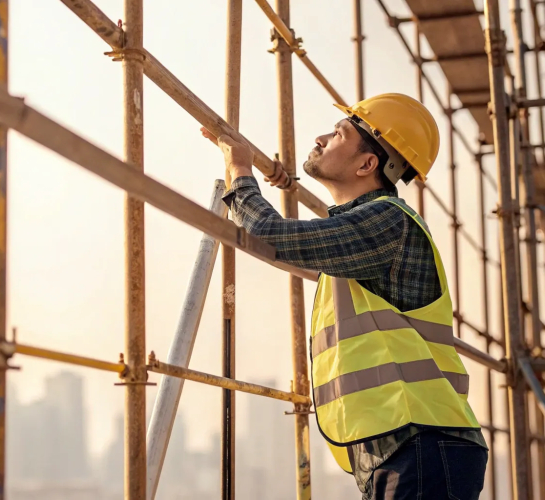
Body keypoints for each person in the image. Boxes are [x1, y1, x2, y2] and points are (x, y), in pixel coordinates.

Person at [203, 94, 488, 500]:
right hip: (403, 446)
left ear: (367, 164)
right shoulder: (361, 237)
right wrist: (283, 182)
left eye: (337, 134)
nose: (320, 138)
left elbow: (272, 236)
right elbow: (299, 247)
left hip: (420, 443)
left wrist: (240, 169)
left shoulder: (386, 222)